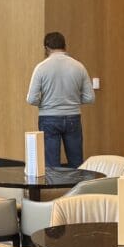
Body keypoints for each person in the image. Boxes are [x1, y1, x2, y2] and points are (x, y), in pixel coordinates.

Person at [26, 31, 95, 168]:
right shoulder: (79, 66)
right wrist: (72, 100)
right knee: (76, 161)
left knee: (51, 164)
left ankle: (53, 189)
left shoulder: (41, 68)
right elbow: (90, 98)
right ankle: (76, 188)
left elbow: (31, 99)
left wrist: (46, 103)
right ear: (65, 46)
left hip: (48, 118)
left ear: (46, 48)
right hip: (73, 118)